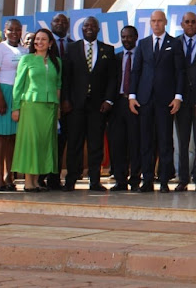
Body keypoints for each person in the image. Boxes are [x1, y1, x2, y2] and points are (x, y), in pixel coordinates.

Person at [129, 10, 185, 193]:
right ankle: (147, 180)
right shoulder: (143, 44)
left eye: (159, 21)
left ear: (165, 22)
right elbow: (135, 71)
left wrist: (178, 96)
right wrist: (132, 96)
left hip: (166, 100)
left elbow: (180, 72)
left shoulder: (175, 43)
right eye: (153, 21)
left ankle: (163, 181)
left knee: (165, 141)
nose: (156, 24)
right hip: (144, 100)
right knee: (146, 141)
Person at [60, 16, 117, 192]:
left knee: (95, 145)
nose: (89, 28)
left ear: (98, 29)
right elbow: (66, 77)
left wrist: (108, 100)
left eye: (93, 26)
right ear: (81, 29)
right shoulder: (72, 48)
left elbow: (112, 78)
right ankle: (71, 180)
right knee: (74, 143)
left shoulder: (108, 49)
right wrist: (66, 100)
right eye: (86, 26)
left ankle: (94, 180)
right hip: (75, 105)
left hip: (97, 107)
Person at [11, 28, 61, 192]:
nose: (39, 42)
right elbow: (18, 85)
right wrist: (16, 107)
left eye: (43, 39)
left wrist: (58, 106)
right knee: (30, 143)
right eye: (37, 39)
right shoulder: (26, 59)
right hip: (30, 105)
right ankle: (28, 182)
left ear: (50, 43)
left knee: (43, 143)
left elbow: (58, 85)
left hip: (50, 107)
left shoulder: (57, 62)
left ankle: (37, 180)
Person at [0, 19, 27, 191]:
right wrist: (0, 97)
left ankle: (8, 176)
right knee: (1, 136)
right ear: (5, 31)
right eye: (11, 29)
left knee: (12, 137)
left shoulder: (25, 50)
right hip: (1, 93)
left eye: (18, 29)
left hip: (18, 95)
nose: (15, 32)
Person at [174, 12, 196, 192]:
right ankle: (183, 178)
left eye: (193, 22)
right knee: (182, 142)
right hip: (181, 100)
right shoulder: (174, 43)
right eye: (186, 22)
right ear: (182, 24)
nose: (189, 25)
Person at [108, 25, 141, 191]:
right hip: (118, 104)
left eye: (129, 37)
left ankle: (135, 179)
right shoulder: (117, 57)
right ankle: (120, 180)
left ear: (136, 37)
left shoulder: (142, 56)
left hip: (136, 104)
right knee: (117, 143)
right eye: (124, 37)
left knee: (135, 143)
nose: (126, 40)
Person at [42, 13, 72, 190]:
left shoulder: (75, 45)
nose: (60, 24)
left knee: (61, 142)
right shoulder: (45, 47)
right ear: (51, 24)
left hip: (68, 103)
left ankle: (54, 178)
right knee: (45, 140)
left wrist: (67, 100)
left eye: (63, 21)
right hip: (46, 101)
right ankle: (39, 176)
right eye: (56, 21)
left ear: (68, 25)